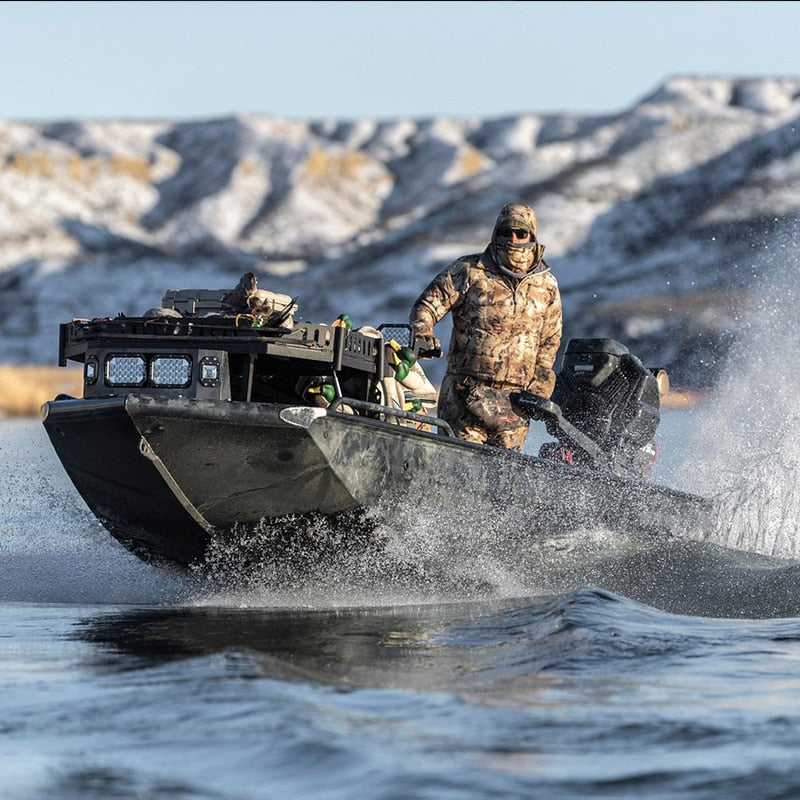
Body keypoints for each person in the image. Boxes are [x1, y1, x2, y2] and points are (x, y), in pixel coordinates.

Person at [408, 202, 562, 452]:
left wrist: (541, 384)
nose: (513, 238)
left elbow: (550, 340)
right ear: (495, 233)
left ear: (532, 236)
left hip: (514, 407)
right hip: (464, 398)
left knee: (502, 483)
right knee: (457, 472)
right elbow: (426, 306)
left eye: (521, 233)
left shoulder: (546, 285)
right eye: (506, 231)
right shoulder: (469, 271)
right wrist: (423, 332)